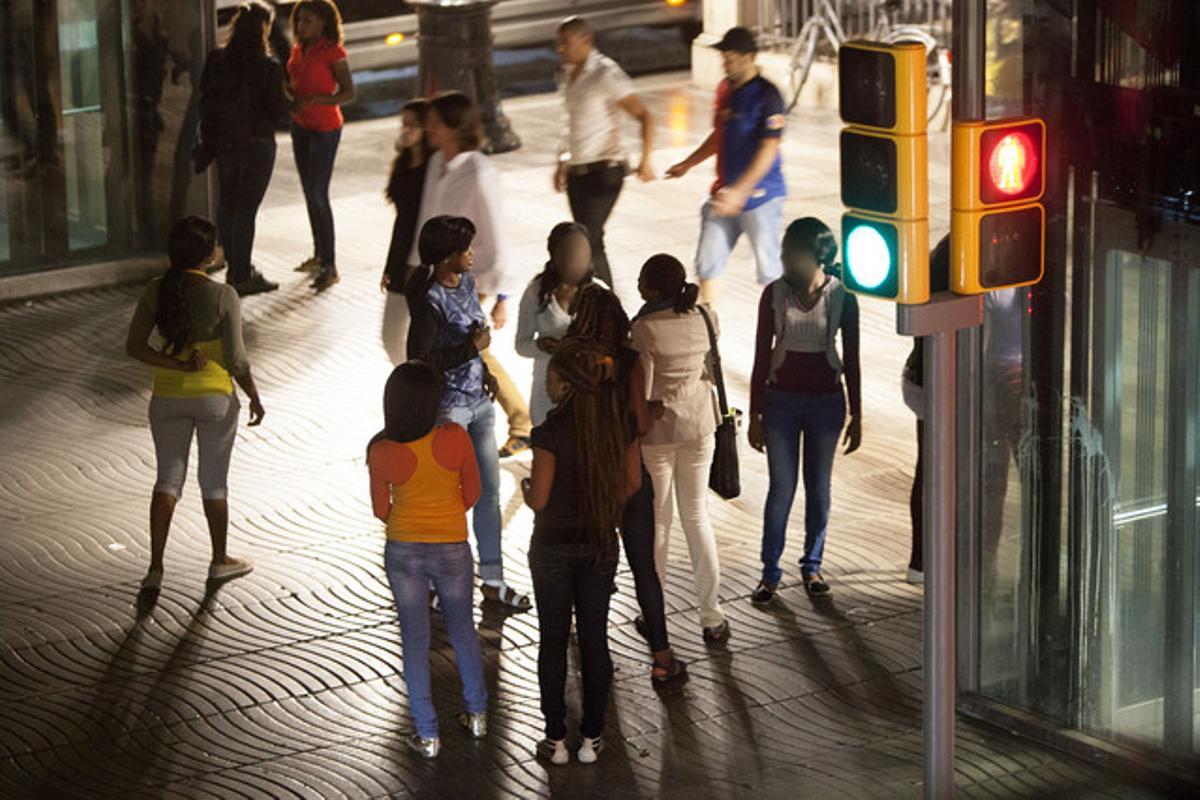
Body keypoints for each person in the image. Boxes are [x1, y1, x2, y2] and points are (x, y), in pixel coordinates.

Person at [124, 216, 265, 597]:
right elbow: (236, 359)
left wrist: (176, 364)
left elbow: (135, 346)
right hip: (215, 399)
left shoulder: (156, 290)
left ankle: (155, 567)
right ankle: (220, 560)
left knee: (167, 479)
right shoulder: (224, 296)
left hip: (167, 397)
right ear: (206, 255)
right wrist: (253, 394)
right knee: (213, 482)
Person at [523, 337, 643, 765]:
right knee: (595, 639)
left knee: (553, 641)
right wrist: (602, 504)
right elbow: (632, 484)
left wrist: (525, 488)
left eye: (553, 376)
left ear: (566, 383)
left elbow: (538, 499)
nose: (549, 384)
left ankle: (555, 739)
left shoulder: (550, 432)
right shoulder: (618, 424)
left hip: (553, 547)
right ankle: (593, 736)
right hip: (599, 542)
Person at [406, 215, 531, 611]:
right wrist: (469, 350)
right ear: (445, 259)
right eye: (464, 250)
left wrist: (487, 376)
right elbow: (419, 359)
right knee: (445, 499)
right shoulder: (429, 301)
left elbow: (476, 344)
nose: (471, 254)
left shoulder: (467, 284)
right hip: (449, 412)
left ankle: (492, 581)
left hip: (479, 405)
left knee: (488, 494)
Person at [567, 285, 687, 685]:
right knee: (644, 571)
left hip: (587, 479)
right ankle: (662, 658)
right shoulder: (629, 361)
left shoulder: (568, 361)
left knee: (592, 570)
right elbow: (638, 423)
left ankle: (592, 652)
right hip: (629, 475)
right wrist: (647, 411)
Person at [368, 361, 488, 759]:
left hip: (403, 550)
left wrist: (408, 518)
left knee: (414, 639)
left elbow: (380, 508)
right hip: (452, 545)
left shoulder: (381, 450)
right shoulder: (455, 438)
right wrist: (445, 514)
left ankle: (428, 734)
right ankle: (476, 714)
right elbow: (473, 493)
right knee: (463, 630)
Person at [747, 218, 862, 604]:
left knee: (819, 488)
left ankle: (812, 565)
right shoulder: (774, 295)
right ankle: (769, 573)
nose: (784, 258)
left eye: (790, 251)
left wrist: (857, 412)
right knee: (781, 489)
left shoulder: (842, 297)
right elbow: (761, 356)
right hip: (780, 402)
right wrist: (756, 414)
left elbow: (853, 358)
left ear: (817, 257)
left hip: (826, 403)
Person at [413, 91, 532, 459]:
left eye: (435, 122)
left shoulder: (479, 171)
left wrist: (502, 297)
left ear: (454, 127)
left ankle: (520, 422)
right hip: (440, 276)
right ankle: (521, 421)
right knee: (469, 352)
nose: (428, 128)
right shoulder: (437, 163)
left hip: (471, 278)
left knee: (466, 350)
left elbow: (496, 232)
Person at [630, 254, 728, 643]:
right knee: (697, 518)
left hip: (659, 433)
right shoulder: (705, 317)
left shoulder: (646, 328)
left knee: (659, 523)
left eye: (641, 280)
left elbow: (647, 388)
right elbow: (706, 368)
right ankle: (711, 614)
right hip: (700, 425)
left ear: (653, 288)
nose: (637, 286)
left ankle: (654, 612)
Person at [665, 26, 786, 305]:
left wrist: (741, 192)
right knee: (707, 264)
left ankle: (781, 332)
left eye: (731, 58)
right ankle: (708, 334)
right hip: (723, 196)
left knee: (770, 272)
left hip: (761, 198)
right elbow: (720, 135)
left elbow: (769, 149)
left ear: (750, 57)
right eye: (724, 58)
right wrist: (688, 163)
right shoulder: (726, 91)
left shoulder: (768, 96)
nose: (725, 64)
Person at [552, 15, 655, 288]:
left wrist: (646, 160)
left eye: (565, 43)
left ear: (586, 40)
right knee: (591, 241)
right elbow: (570, 123)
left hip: (605, 171)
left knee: (586, 240)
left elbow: (645, 116)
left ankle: (604, 304)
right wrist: (562, 160)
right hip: (578, 172)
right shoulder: (568, 74)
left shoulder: (605, 74)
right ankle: (599, 303)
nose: (560, 49)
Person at [198, 0, 289, 297]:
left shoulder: (217, 59)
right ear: (264, 28)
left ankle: (235, 267)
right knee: (246, 210)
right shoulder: (268, 67)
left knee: (229, 204)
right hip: (257, 145)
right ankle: (241, 272)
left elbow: (205, 98)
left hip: (225, 144)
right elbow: (278, 110)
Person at [288, 0, 355, 292]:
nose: (303, 26)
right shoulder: (297, 49)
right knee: (308, 191)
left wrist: (316, 100)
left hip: (325, 128)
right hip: (300, 125)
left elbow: (349, 93)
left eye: (309, 21)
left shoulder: (333, 52)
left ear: (324, 24)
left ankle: (330, 264)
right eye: (301, 20)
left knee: (318, 192)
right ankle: (318, 255)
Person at [514, 221, 598, 427]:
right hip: (547, 389)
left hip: (586, 387)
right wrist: (541, 345)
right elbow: (521, 345)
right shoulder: (536, 293)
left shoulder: (599, 293)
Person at [380, 98, 431, 365]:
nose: (406, 130)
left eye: (413, 125)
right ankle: (410, 380)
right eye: (404, 124)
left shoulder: (433, 170)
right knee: (390, 335)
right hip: (402, 260)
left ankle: (421, 386)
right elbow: (401, 222)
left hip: (423, 262)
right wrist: (390, 265)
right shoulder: (403, 165)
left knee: (420, 335)